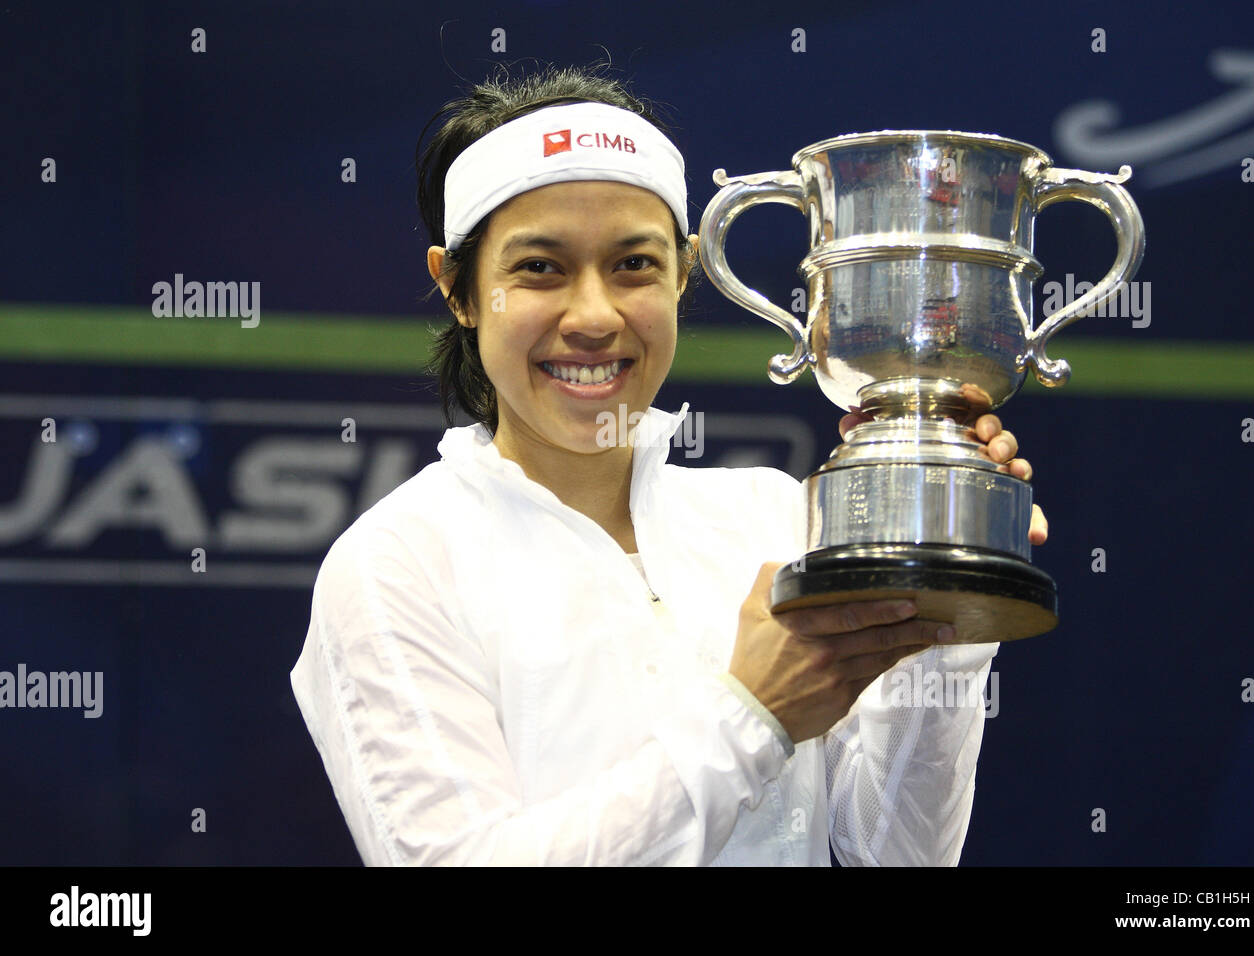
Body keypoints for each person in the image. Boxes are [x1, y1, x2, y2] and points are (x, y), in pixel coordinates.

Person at [289, 63, 1048, 866]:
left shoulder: (775, 516)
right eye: (539, 268)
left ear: (686, 272)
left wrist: (945, 612)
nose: (593, 316)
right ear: (460, 290)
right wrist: (751, 716)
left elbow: (894, 854)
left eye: (633, 265)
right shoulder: (396, 564)